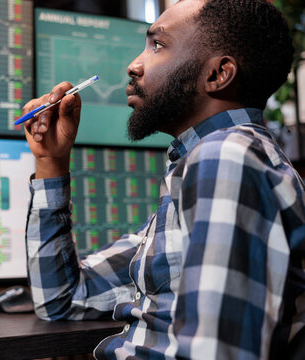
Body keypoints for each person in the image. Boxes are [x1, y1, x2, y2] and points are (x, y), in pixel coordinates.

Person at [20, 0, 305, 358]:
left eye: (157, 45)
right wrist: (51, 161)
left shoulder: (226, 156)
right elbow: (60, 300)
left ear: (218, 75)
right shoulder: (202, 167)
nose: (134, 65)